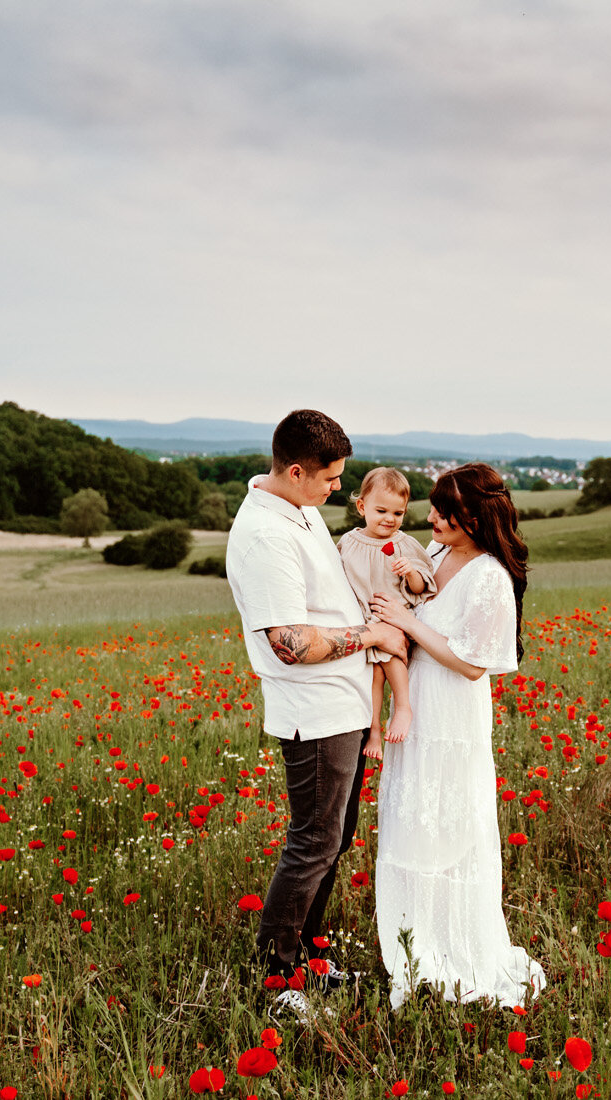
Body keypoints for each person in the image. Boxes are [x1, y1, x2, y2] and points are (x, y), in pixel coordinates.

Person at [224, 410, 408, 1018]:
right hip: (315, 710)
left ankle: (306, 951)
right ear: (297, 470)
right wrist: (371, 634)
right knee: (313, 841)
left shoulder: (298, 509)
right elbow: (290, 642)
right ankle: (278, 977)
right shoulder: (266, 536)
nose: (337, 489)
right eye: (330, 479)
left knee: (336, 837)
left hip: (346, 704)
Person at [367, 463, 548, 1010]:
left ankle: (455, 953)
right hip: (415, 708)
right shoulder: (438, 554)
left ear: (472, 516)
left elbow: (472, 664)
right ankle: (415, 950)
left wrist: (408, 621)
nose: (430, 518)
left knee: (449, 832)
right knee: (411, 827)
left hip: (451, 717)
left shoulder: (490, 575)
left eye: (442, 512)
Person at [336, 467, 437, 760]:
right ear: (362, 506)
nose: (389, 519)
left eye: (398, 513)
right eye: (381, 510)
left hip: (393, 619)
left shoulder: (404, 545)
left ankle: (403, 707)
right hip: (363, 622)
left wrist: (411, 571)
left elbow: (421, 587)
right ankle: (374, 730)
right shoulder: (349, 542)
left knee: (389, 659)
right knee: (373, 679)